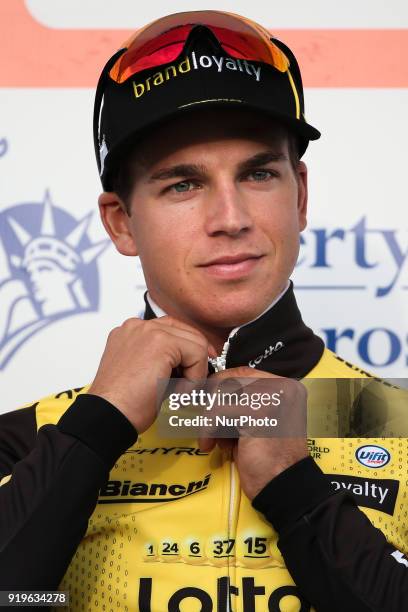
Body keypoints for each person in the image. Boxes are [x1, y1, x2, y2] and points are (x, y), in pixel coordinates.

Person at [0, 10, 407, 612]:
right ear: (120, 222)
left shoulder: (397, 422)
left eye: (259, 174)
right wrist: (97, 428)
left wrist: (297, 491)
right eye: (182, 185)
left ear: (300, 196)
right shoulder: (26, 440)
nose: (231, 218)